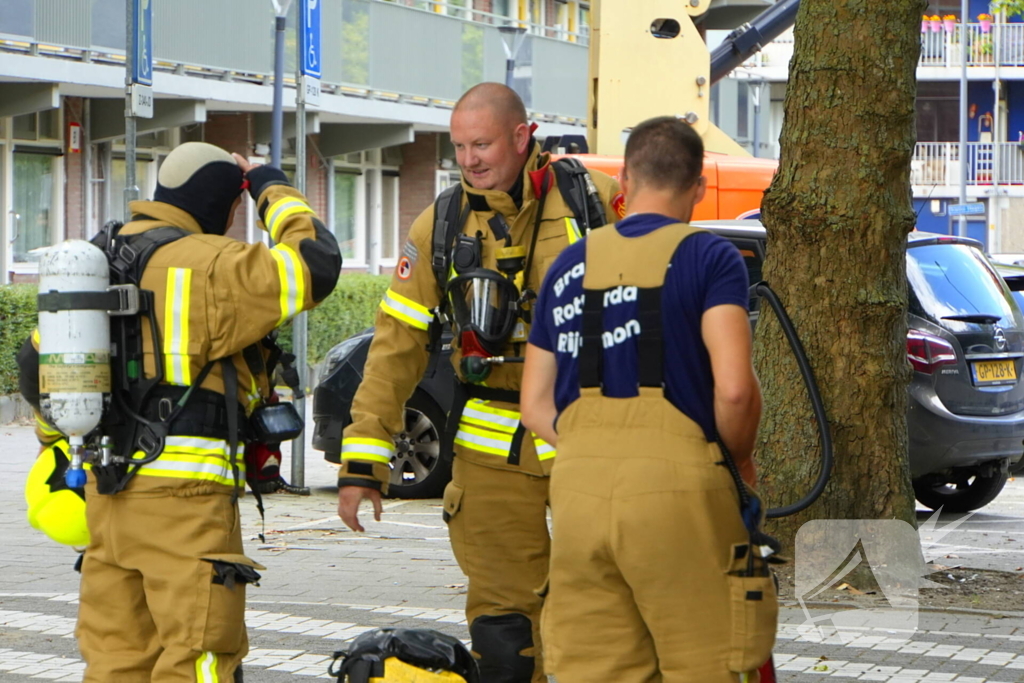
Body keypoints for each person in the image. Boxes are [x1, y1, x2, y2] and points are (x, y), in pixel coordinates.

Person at [18, 141, 341, 681]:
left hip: (108, 498)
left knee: (117, 663)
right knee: (197, 660)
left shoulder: (101, 257)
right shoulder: (209, 266)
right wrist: (269, 183)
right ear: (228, 207)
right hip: (185, 509)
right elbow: (315, 262)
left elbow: (36, 367)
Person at [336, 83, 621, 682]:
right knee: (503, 634)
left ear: (523, 137)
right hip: (493, 456)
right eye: (460, 146)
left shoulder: (595, 202)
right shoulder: (439, 225)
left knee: (602, 616)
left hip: (591, 444)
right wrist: (363, 465)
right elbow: (395, 349)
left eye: (482, 144)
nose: (469, 160)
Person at [521, 116, 776, 682]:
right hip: (679, 494)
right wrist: (738, 464)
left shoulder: (567, 266)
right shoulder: (710, 258)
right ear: (697, 188)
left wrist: (598, 446)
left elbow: (534, 404)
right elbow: (734, 389)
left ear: (627, 181)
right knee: (706, 663)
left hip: (579, 495)